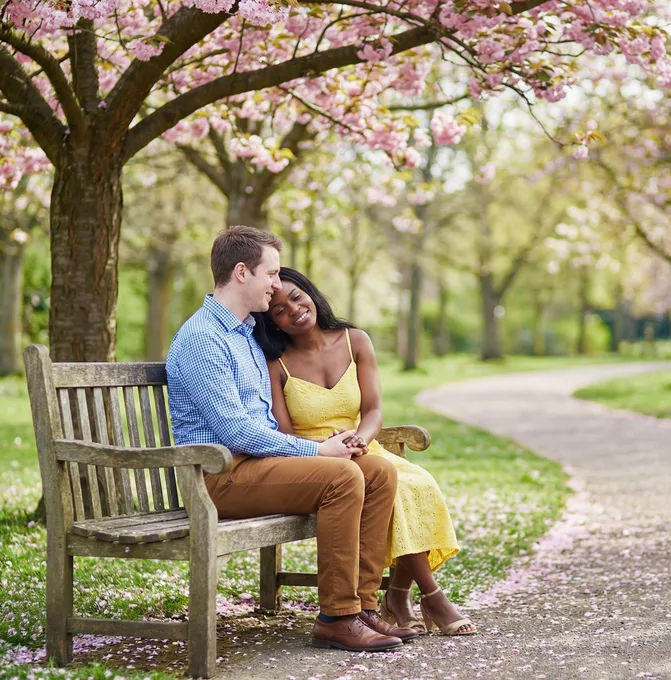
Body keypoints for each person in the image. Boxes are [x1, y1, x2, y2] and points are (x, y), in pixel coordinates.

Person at [166, 226, 420, 652]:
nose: (275, 283)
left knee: (376, 471)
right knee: (342, 477)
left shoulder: (245, 334)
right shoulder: (203, 339)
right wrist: (319, 450)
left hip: (255, 467)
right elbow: (233, 432)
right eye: (271, 274)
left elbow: (265, 423)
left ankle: (361, 606)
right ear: (243, 273)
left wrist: (335, 442)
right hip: (217, 477)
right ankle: (337, 618)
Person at [253, 267, 477, 637]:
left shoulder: (354, 340)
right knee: (396, 489)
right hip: (315, 461)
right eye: (278, 310)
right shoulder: (275, 364)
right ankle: (430, 597)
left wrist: (359, 439)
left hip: (363, 448)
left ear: (311, 293)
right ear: (272, 323)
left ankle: (400, 595)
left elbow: (373, 409)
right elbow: (284, 432)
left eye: (296, 297)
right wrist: (326, 451)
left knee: (416, 484)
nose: (292, 310)